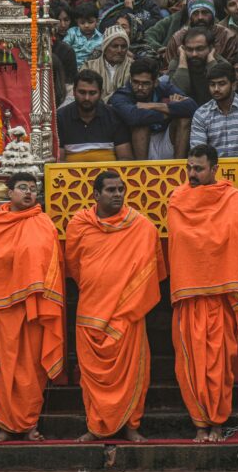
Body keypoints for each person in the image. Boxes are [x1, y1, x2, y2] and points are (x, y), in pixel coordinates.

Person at [66, 170, 165, 442]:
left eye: (121, 189)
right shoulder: (79, 224)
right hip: (91, 311)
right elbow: (74, 266)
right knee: (91, 376)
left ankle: (132, 426)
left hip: (128, 313)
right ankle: (95, 426)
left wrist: (122, 301)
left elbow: (151, 271)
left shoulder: (141, 226)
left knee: (133, 373)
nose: (118, 194)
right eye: (111, 190)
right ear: (96, 195)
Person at [167, 144, 238, 442]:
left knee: (219, 362)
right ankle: (199, 424)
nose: (192, 173)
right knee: (190, 363)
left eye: (198, 168)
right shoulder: (178, 199)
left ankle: (217, 422)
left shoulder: (233, 199)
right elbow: (182, 241)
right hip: (190, 297)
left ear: (214, 168)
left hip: (222, 298)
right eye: (189, 167)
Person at [0, 172, 64, 443]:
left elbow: (50, 262)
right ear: (8, 192)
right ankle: (4, 424)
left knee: (31, 368)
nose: (28, 193)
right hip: (2, 307)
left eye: (33, 189)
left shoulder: (43, 223)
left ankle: (29, 423)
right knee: (4, 367)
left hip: (34, 307)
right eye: (22, 188)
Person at [109, 57, 197, 160]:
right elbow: (133, 117)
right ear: (130, 79)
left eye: (146, 83)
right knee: (140, 124)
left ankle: (180, 167)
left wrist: (153, 105)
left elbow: (192, 107)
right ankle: (142, 170)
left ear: (155, 82)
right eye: (136, 82)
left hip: (165, 139)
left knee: (184, 119)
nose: (140, 88)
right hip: (137, 144)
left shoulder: (164, 87)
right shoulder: (121, 95)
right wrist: (170, 111)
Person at [57, 70, 133, 162]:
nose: (87, 98)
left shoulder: (114, 116)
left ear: (101, 93)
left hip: (110, 175)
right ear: (73, 92)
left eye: (92, 93)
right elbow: (58, 162)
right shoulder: (61, 118)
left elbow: (125, 158)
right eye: (82, 92)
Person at [165, 0, 238, 64]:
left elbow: (233, 69)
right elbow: (166, 70)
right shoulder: (177, 38)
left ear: (213, 14)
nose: (200, 17)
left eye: (205, 12)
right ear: (190, 16)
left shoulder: (227, 37)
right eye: (195, 13)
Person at [83, 25, 133, 100]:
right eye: (115, 46)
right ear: (105, 47)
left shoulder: (133, 67)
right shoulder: (89, 67)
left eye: (123, 46)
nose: (120, 50)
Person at [64, 4, 103, 69]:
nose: (86, 25)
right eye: (82, 23)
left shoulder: (101, 39)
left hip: (92, 69)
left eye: (90, 22)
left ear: (97, 21)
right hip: (72, 69)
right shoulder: (72, 33)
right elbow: (64, 49)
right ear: (77, 22)